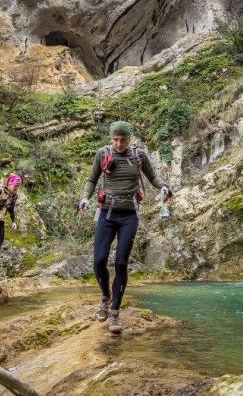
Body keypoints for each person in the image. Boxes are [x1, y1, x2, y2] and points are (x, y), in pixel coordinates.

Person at [78, 120, 172, 334]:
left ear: (130, 139)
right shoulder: (102, 154)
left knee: (121, 263)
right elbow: (92, 180)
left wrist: (163, 187)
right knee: (99, 260)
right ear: (111, 138)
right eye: (115, 139)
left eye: (123, 140)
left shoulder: (139, 156)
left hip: (129, 216)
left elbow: (153, 177)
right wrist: (84, 198)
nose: (119, 144)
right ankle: (105, 296)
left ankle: (114, 312)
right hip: (106, 213)